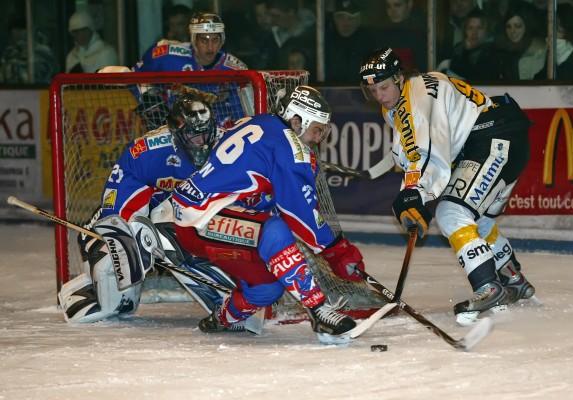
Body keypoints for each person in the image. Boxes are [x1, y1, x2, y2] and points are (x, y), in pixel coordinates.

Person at [158, 85, 367, 341]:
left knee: (267, 289)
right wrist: (337, 251)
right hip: (203, 219)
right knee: (275, 229)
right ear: (297, 120)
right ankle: (319, 310)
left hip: (198, 218)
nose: (318, 138)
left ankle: (223, 318)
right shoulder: (290, 146)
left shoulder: (259, 122)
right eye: (317, 130)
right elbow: (300, 213)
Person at [358, 48, 536, 326]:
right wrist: (411, 185)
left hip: (493, 141)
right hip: (501, 135)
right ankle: (513, 278)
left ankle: (488, 287)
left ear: (399, 77)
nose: (380, 96)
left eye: (383, 87)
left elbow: (427, 151)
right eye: (373, 91)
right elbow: (415, 149)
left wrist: (414, 193)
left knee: (452, 212)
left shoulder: (415, 98)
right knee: (479, 221)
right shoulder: (411, 92)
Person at [57, 88, 239, 324]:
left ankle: (232, 301)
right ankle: (82, 291)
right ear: (177, 133)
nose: (202, 143)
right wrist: (127, 240)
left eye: (205, 134)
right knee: (114, 302)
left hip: (180, 213)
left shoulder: (226, 145)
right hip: (131, 219)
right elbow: (115, 205)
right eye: (194, 135)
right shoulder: (147, 151)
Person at [132, 12, 248, 130]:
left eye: (215, 40)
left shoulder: (236, 70)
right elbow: (134, 75)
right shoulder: (166, 55)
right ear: (194, 39)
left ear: (222, 40)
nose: (210, 47)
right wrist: (147, 97)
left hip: (217, 133)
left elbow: (245, 114)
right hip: (172, 129)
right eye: (204, 40)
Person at [325, 0, 375, 84]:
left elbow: (373, 76)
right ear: (334, 19)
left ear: (359, 20)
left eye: (351, 18)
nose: (346, 23)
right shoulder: (325, 41)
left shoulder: (368, 42)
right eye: (341, 17)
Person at [0, 17, 59, 84]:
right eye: (14, 31)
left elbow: (34, 77)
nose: (17, 34)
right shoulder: (9, 52)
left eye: (20, 29)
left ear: (29, 31)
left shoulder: (43, 51)